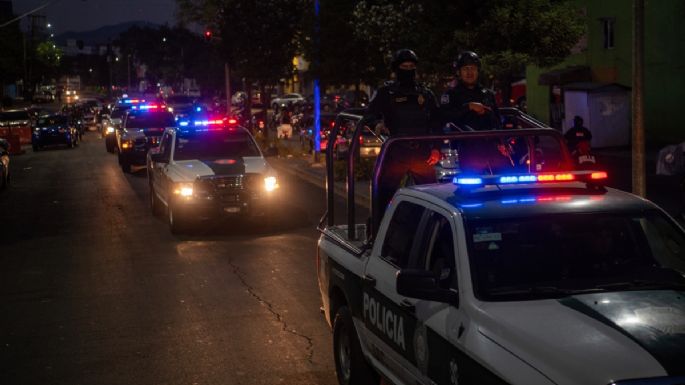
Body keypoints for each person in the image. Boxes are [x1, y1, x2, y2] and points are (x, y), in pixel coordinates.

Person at [366, 49, 439, 137]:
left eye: (411, 66)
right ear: (396, 69)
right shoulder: (386, 92)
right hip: (395, 145)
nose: (408, 70)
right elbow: (369, 115)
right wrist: (377, 124)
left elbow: (437, 120)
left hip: (422, 145)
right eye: (404, 67)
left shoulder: (426, 93)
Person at [440, 51, 501, 131]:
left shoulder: (488, 94)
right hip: (461, 141)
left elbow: (497, 122)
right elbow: (444, 119)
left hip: (487, 141)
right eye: (465, 69)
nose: (469, 72)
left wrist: (486, 113)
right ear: (459, 72)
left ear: (478, 71)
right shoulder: (450, 95)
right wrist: (469, 107)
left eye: (473, 68)